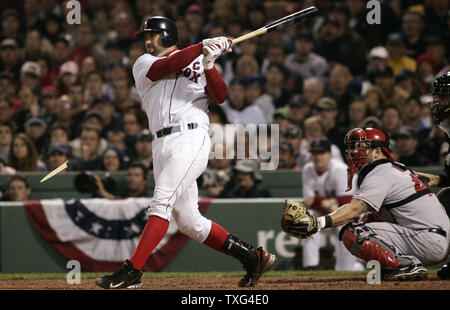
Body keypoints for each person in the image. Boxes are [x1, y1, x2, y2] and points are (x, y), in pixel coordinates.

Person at [95, 17, 275, 289]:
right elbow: (168, 66)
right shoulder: (144, 63)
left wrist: (211, 65)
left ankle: (133, 270)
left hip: (190, 138)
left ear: (167, 35)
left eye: (153, 35)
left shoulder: (199, 60)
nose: (147, 40)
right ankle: (253, 256)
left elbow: (220, 96)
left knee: (161, 203)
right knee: (189, 221)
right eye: (146, 35)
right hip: (160, 144)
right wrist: (203, 46)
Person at [308, 127, 449, 280]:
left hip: (427, 240)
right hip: (433, 238)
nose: (355, 152)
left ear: (377, 152)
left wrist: (318, 223)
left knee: (354, 232)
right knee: (369, 218)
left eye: (362, 147)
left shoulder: (381, 172)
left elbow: (354, 208)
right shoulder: (391, 168)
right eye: (354, 147)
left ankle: (406, 265)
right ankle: (396, 264)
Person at [301, 137, 362, 271]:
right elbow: (308, 203)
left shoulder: (340, 170)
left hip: (354, 217)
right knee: (309, 218)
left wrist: (318, 200)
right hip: (328, 215)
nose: (318, 157)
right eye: (315, 153)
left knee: (345, 225)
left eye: (322, 153)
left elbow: (345, 205)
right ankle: (310, 267)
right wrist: (326, 202)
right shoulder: (307, 169)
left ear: (330, 154)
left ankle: (346, 269)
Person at [414, 71, 450, 279]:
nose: (439, 102)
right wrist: (439, 178)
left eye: (444, 96)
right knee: (446, 197)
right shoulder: (448, 128)